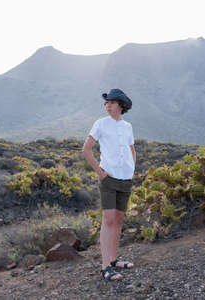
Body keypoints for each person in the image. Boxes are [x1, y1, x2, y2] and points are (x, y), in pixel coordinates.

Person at [82, 88, 136, 281]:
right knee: (109, 219)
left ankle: (114, 260)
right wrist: (101, 173)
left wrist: (131, 169)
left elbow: (132, 150)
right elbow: (86, 150)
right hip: (109, 178)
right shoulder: (100, 124)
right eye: (106, 103)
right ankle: (105, 267)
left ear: (121, 106)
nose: (107, 105)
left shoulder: (127, 126)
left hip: (126, 178)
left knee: (119, 220)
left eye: (111, 102)